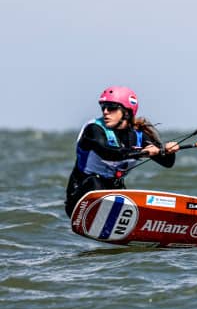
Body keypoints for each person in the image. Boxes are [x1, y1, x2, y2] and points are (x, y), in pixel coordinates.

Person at [65, 86, 180, 217]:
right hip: (80, 200)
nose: (105, 112)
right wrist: (143, 152)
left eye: (111, 107)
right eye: (103, 107)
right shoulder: (94, 129)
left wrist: (168, 151)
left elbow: (167, 163)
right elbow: (109, 153)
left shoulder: (138, 135)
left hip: (113, 195)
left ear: (126, 112)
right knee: (95, 182)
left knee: (134, 197)